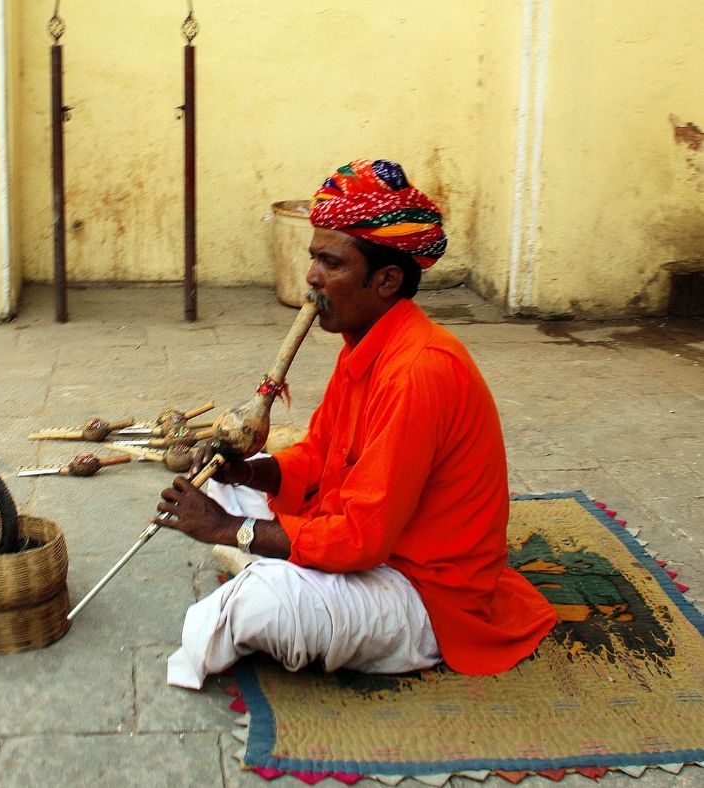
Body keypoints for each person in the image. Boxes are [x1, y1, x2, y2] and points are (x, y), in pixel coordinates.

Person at [158, 158, 557, 690]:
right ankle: (272, 556)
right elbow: (320, 453)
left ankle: (267, 566)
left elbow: (362, 540)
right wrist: (253, 473)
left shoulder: (418, 370)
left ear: (386, 280)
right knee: (225, 493)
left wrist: (228, 530)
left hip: (422, 588)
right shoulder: (365, 344)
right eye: (313, 258)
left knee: (259, 609)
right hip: (378, 542)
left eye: (331, 263)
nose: (312, 277)